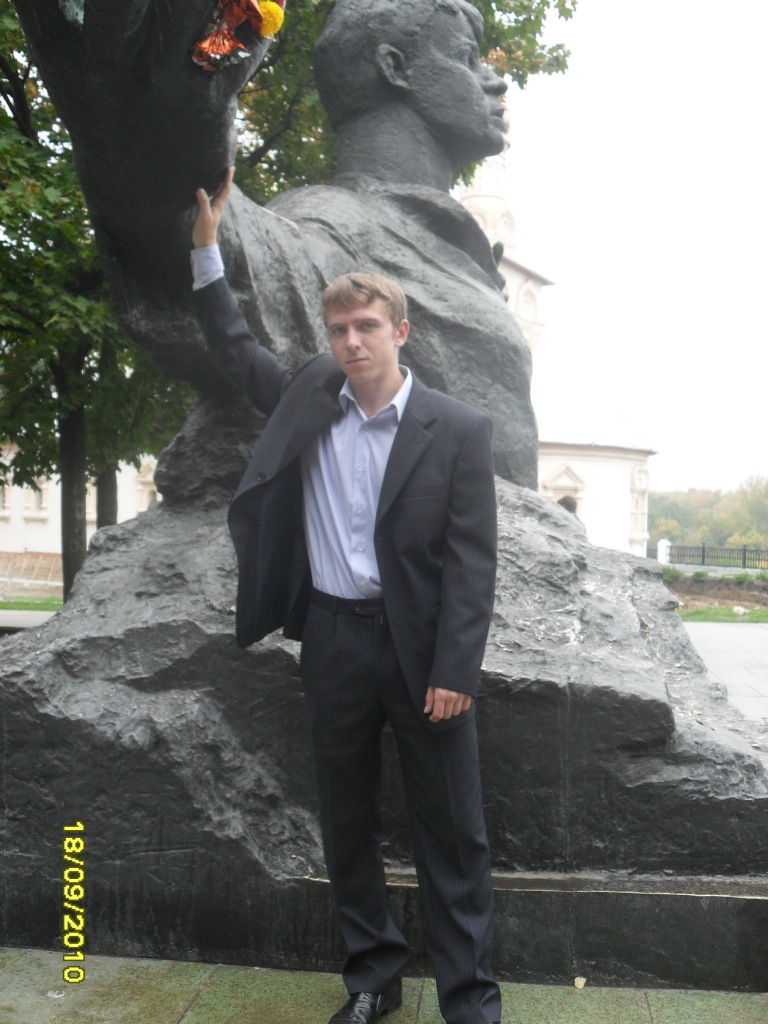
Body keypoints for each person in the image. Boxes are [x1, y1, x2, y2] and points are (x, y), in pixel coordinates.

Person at [191, 167, 502, 1024]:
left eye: (367, 326)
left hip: (422, 652)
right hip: (332, 640)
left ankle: (469, 998)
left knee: (453, 831)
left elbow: (473, 562)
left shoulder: (458, 430)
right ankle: (372, 979)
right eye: (339, 330)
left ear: (400, 332)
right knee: (347, 821)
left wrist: (456, 668)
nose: (352, 341)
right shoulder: (310, 400)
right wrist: (206, 252)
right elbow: (235, 348)